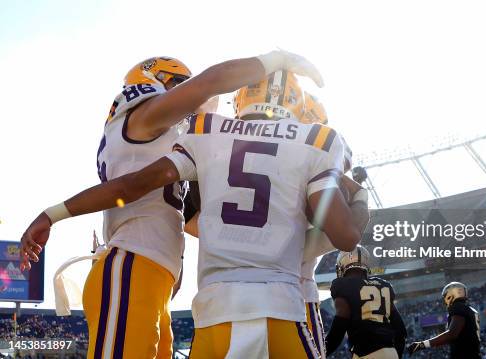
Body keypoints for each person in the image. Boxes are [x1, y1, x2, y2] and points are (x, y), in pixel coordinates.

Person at [20, 68, 360, 358]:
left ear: (239, 99)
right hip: (280, 308)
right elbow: (346, 236)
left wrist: (53, 213)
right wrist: (358, 198)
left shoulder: (206, 132)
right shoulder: (318, 141)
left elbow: (130, 187)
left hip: (214, 314)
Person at [298, 92, 369, 358]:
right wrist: (360, 195)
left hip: (226, 290)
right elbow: (347, 237)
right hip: (291, 293)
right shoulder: (319, 154)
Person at [326, 246, 407, 359]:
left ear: (342, 265)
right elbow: (400, 330)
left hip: (365, 353)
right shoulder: (383, 285)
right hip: (390, 351)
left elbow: (339, 326)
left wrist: (322, 351)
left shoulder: (342, 285)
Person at [407, 282, 481, 358]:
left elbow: (452, 334)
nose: (444, 300)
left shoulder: (458, 308)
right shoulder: (471, 310)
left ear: (452, 295)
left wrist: (422, 345)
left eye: (445, 296)